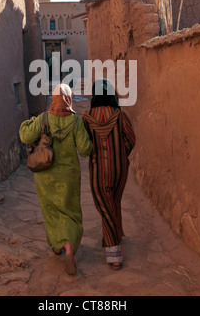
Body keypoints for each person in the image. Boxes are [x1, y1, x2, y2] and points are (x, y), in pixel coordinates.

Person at [19, 83, 92, 275]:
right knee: (70, 210)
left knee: (51, 211)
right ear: (68, 99)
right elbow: (85, 150)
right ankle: (69, 245)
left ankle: (58, 245)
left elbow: (25, 136)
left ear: (53, 99)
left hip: (45, 175)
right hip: (68, 175)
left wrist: (28, 123)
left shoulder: (43, 119)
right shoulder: (76, 121)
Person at [82, 79, 135, 270]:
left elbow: (84, 146)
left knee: (105, 207)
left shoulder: (87, 118)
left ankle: (114, 252)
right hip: (120, 170)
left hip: (98, 171)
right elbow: (131, 139)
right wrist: (121, 155)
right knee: (114, 202)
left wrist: (93, 153)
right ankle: (116, 233)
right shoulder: (120, 115)